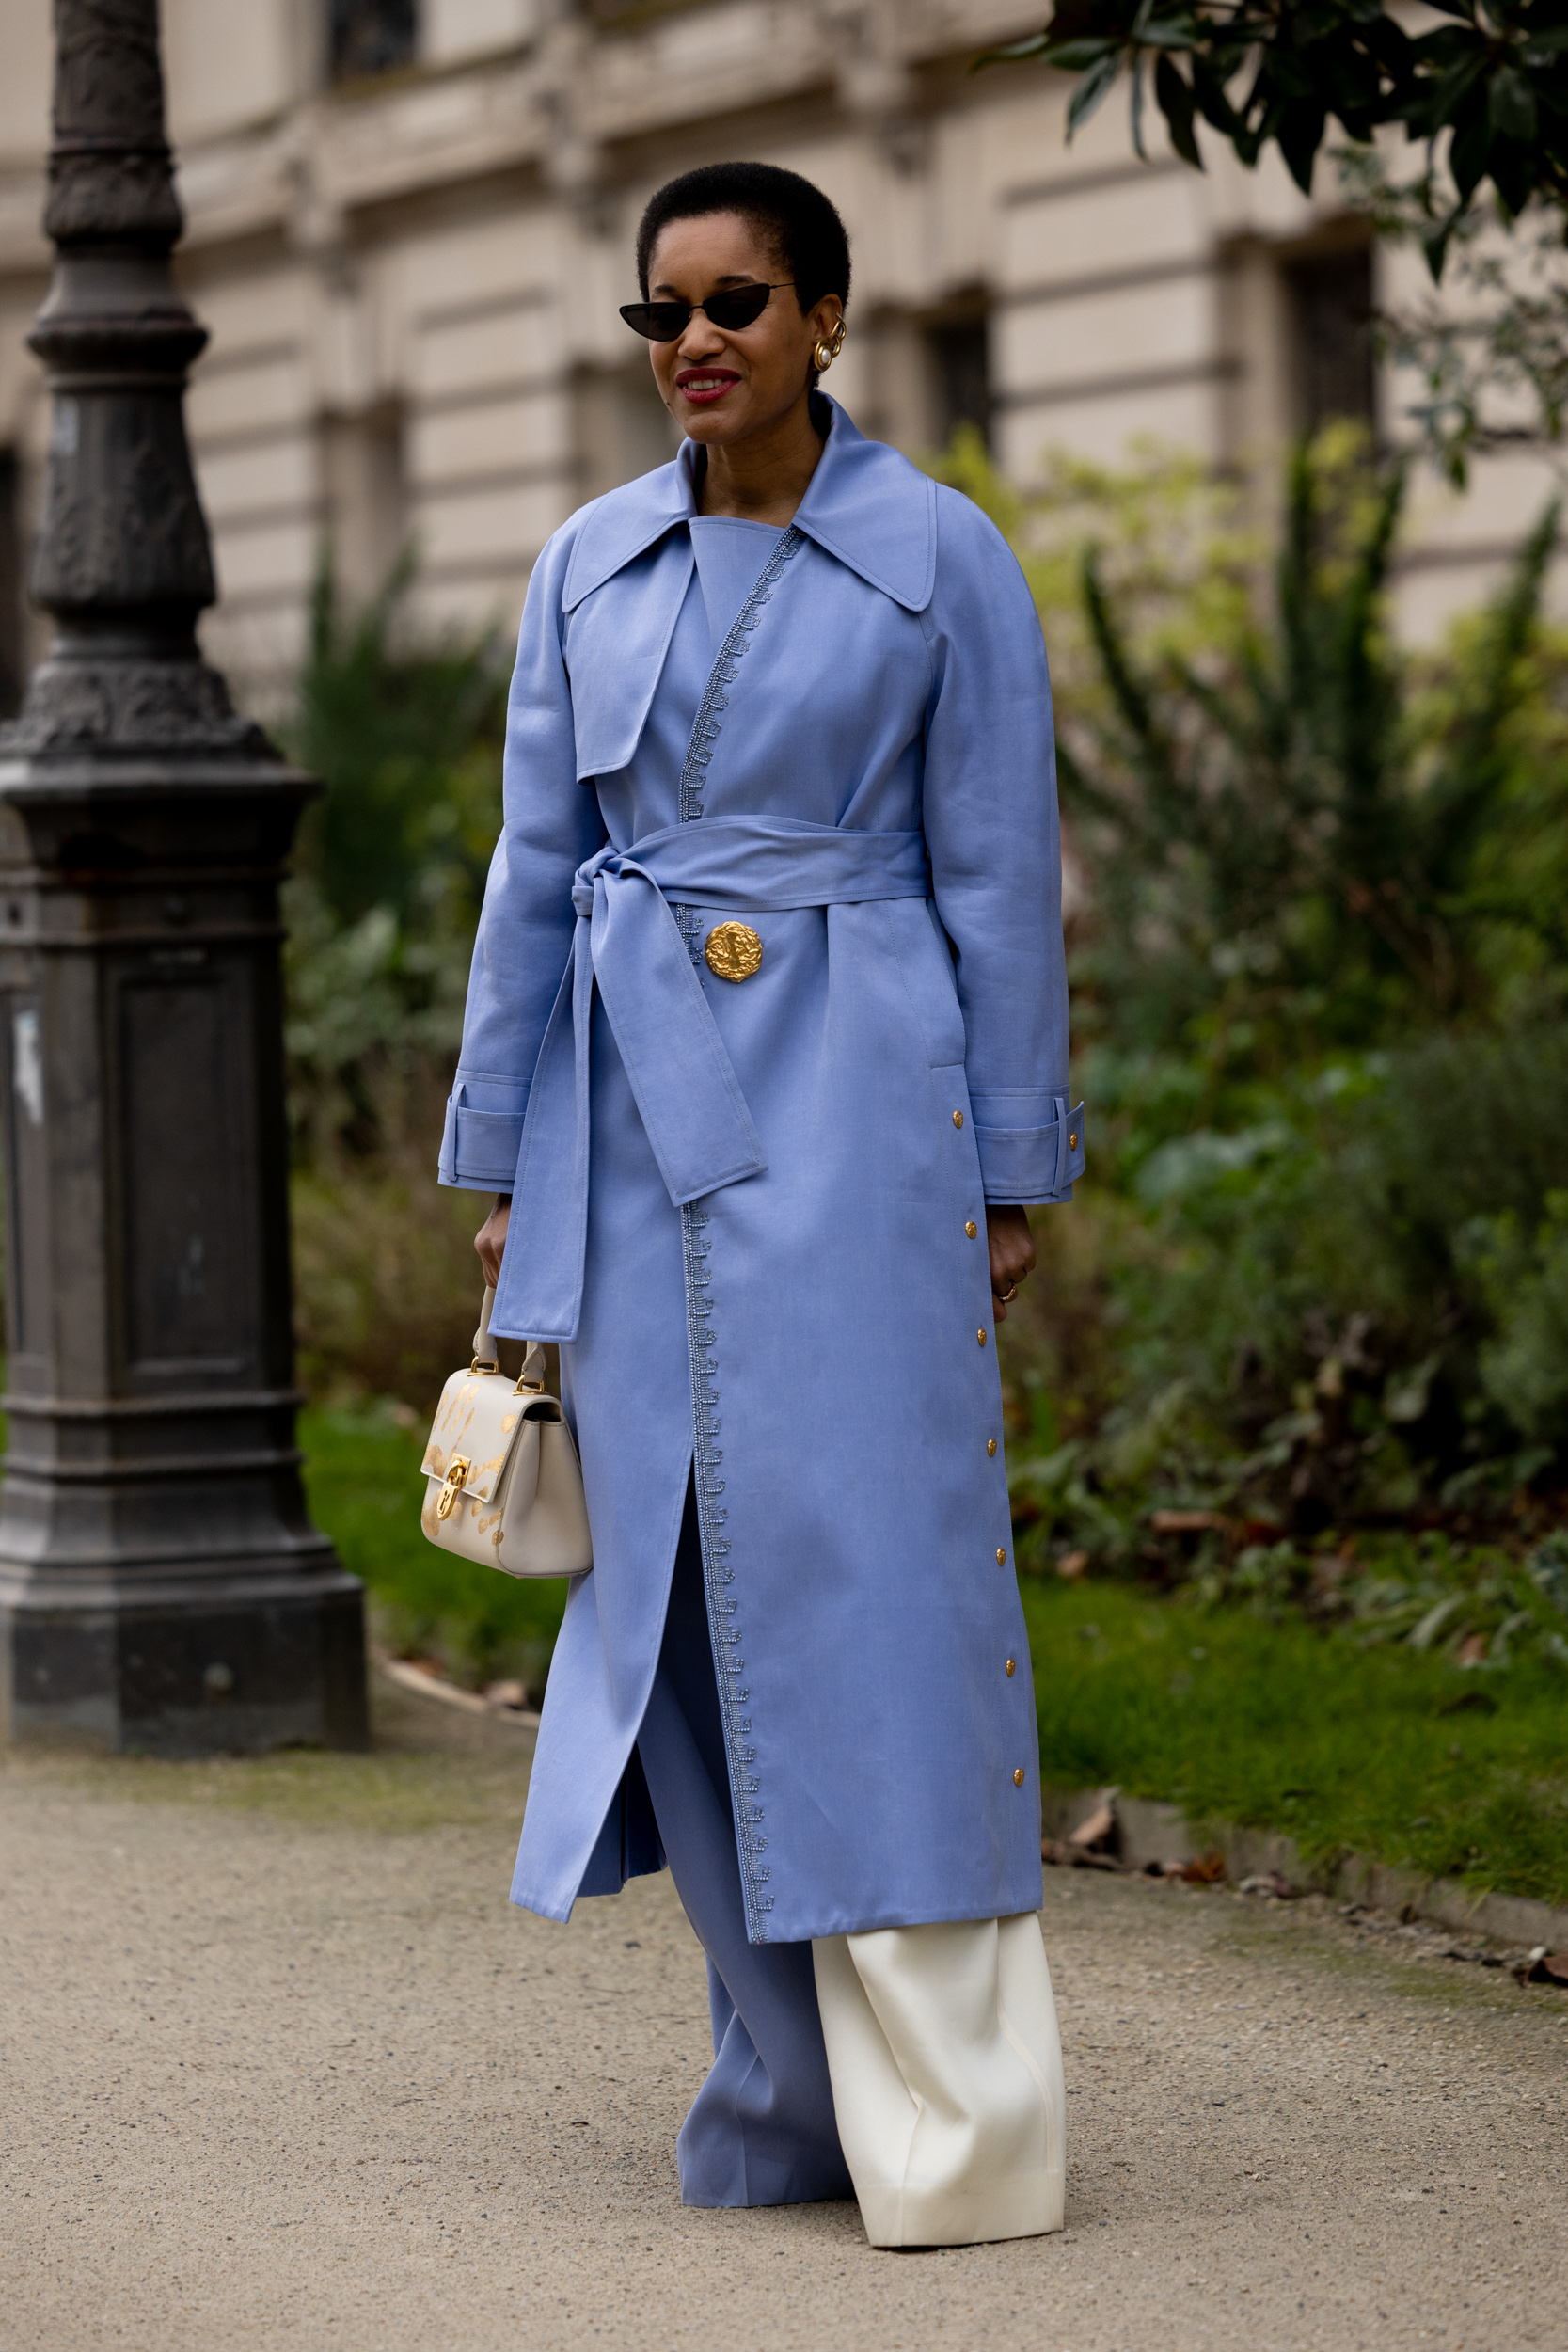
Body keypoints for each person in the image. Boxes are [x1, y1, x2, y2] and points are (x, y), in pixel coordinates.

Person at [439, 160, 1084, 2249]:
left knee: (881, 1591)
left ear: (825, 317)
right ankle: (781, 2082)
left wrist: (1006, 1166)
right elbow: (536, 879)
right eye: (663, 313)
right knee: (675, 1614)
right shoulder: (582, 570)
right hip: (634, 1134)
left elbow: (998, 875)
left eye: (735, 303)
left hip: (864, 1110)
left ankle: (954, 2122)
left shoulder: (941, 557)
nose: (694, 342)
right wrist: (512, 1170)